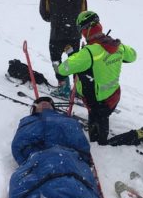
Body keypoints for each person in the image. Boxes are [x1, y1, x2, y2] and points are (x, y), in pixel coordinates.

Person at [56, 10, 138, 145]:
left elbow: (62, 70)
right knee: (102, 116)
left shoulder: (89, 52)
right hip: (113, 96)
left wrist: (73, 57)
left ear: (85, 31)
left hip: (96, 102)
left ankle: (100, 141)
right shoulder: (117, 46)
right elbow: (133, 55)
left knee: (98, 139)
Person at [39, 0, 87, 98]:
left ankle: (64, 86)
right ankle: (79, 89)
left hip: (57, 34)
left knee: (56, 60)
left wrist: (55, 18)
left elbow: (44, 12)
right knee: (76, 61)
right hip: (74, 35)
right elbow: (84, 13)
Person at [11, 96, 90, 165]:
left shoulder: (64, 118)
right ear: (34, 109)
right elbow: (20, 140)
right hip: (39, 158)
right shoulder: (28, 121)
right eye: (41, 103)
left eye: (48, 104)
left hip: (69, 155)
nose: (45, 104)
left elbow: (75, 133)